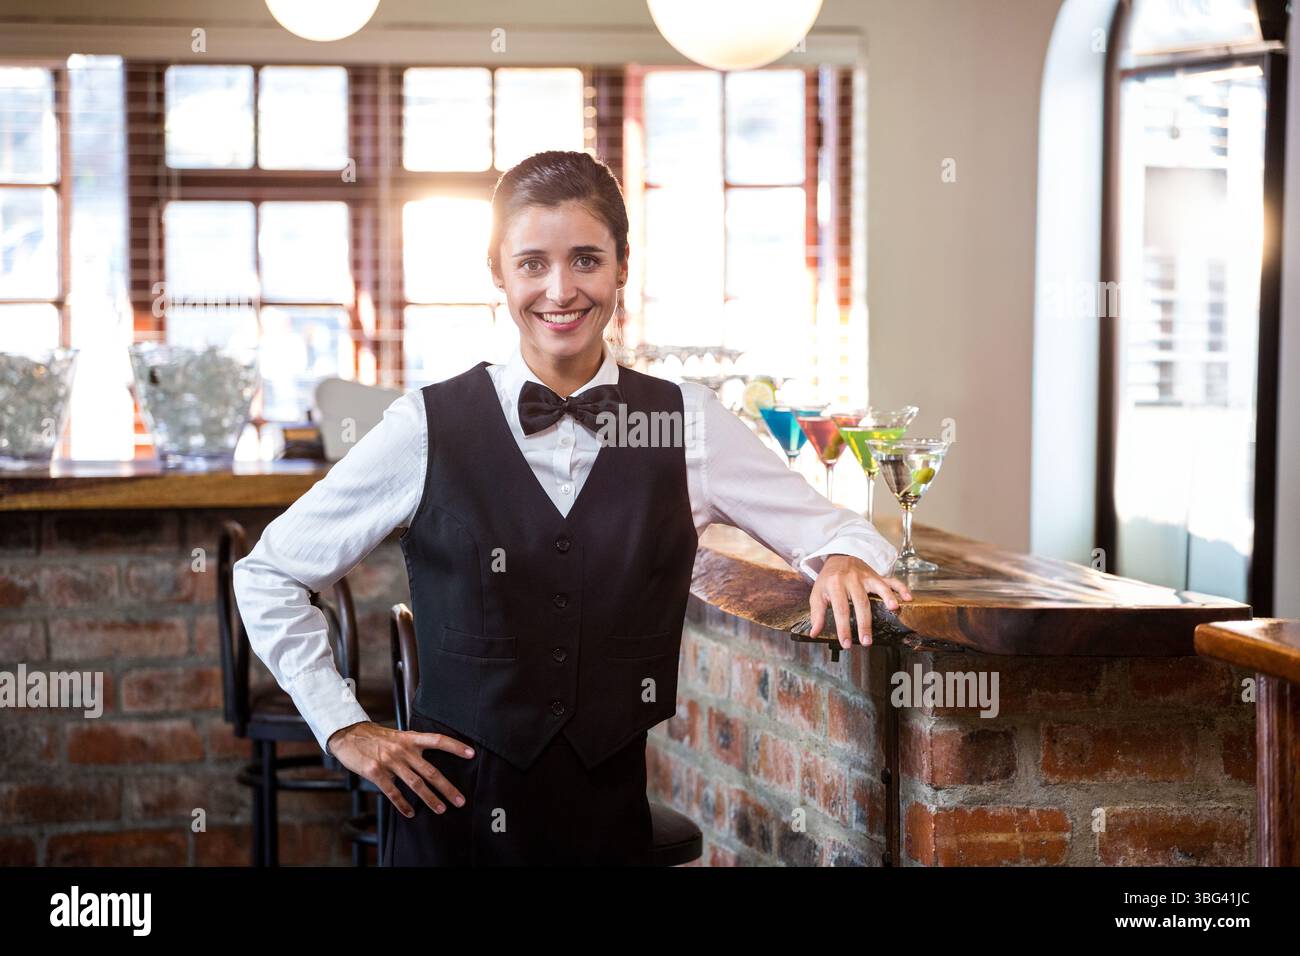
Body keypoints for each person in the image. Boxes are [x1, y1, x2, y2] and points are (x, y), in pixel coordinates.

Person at [233, 149, 912, 866]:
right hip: (449, 822)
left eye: (585, 259)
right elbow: (270, 573)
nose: (560, 289)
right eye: (532, 263)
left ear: (623, 265)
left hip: (604, 826)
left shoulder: (688, 424)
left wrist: (840, 557)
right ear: (498, 272)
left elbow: (838, 527)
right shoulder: (426, 425)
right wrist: (342, 727)